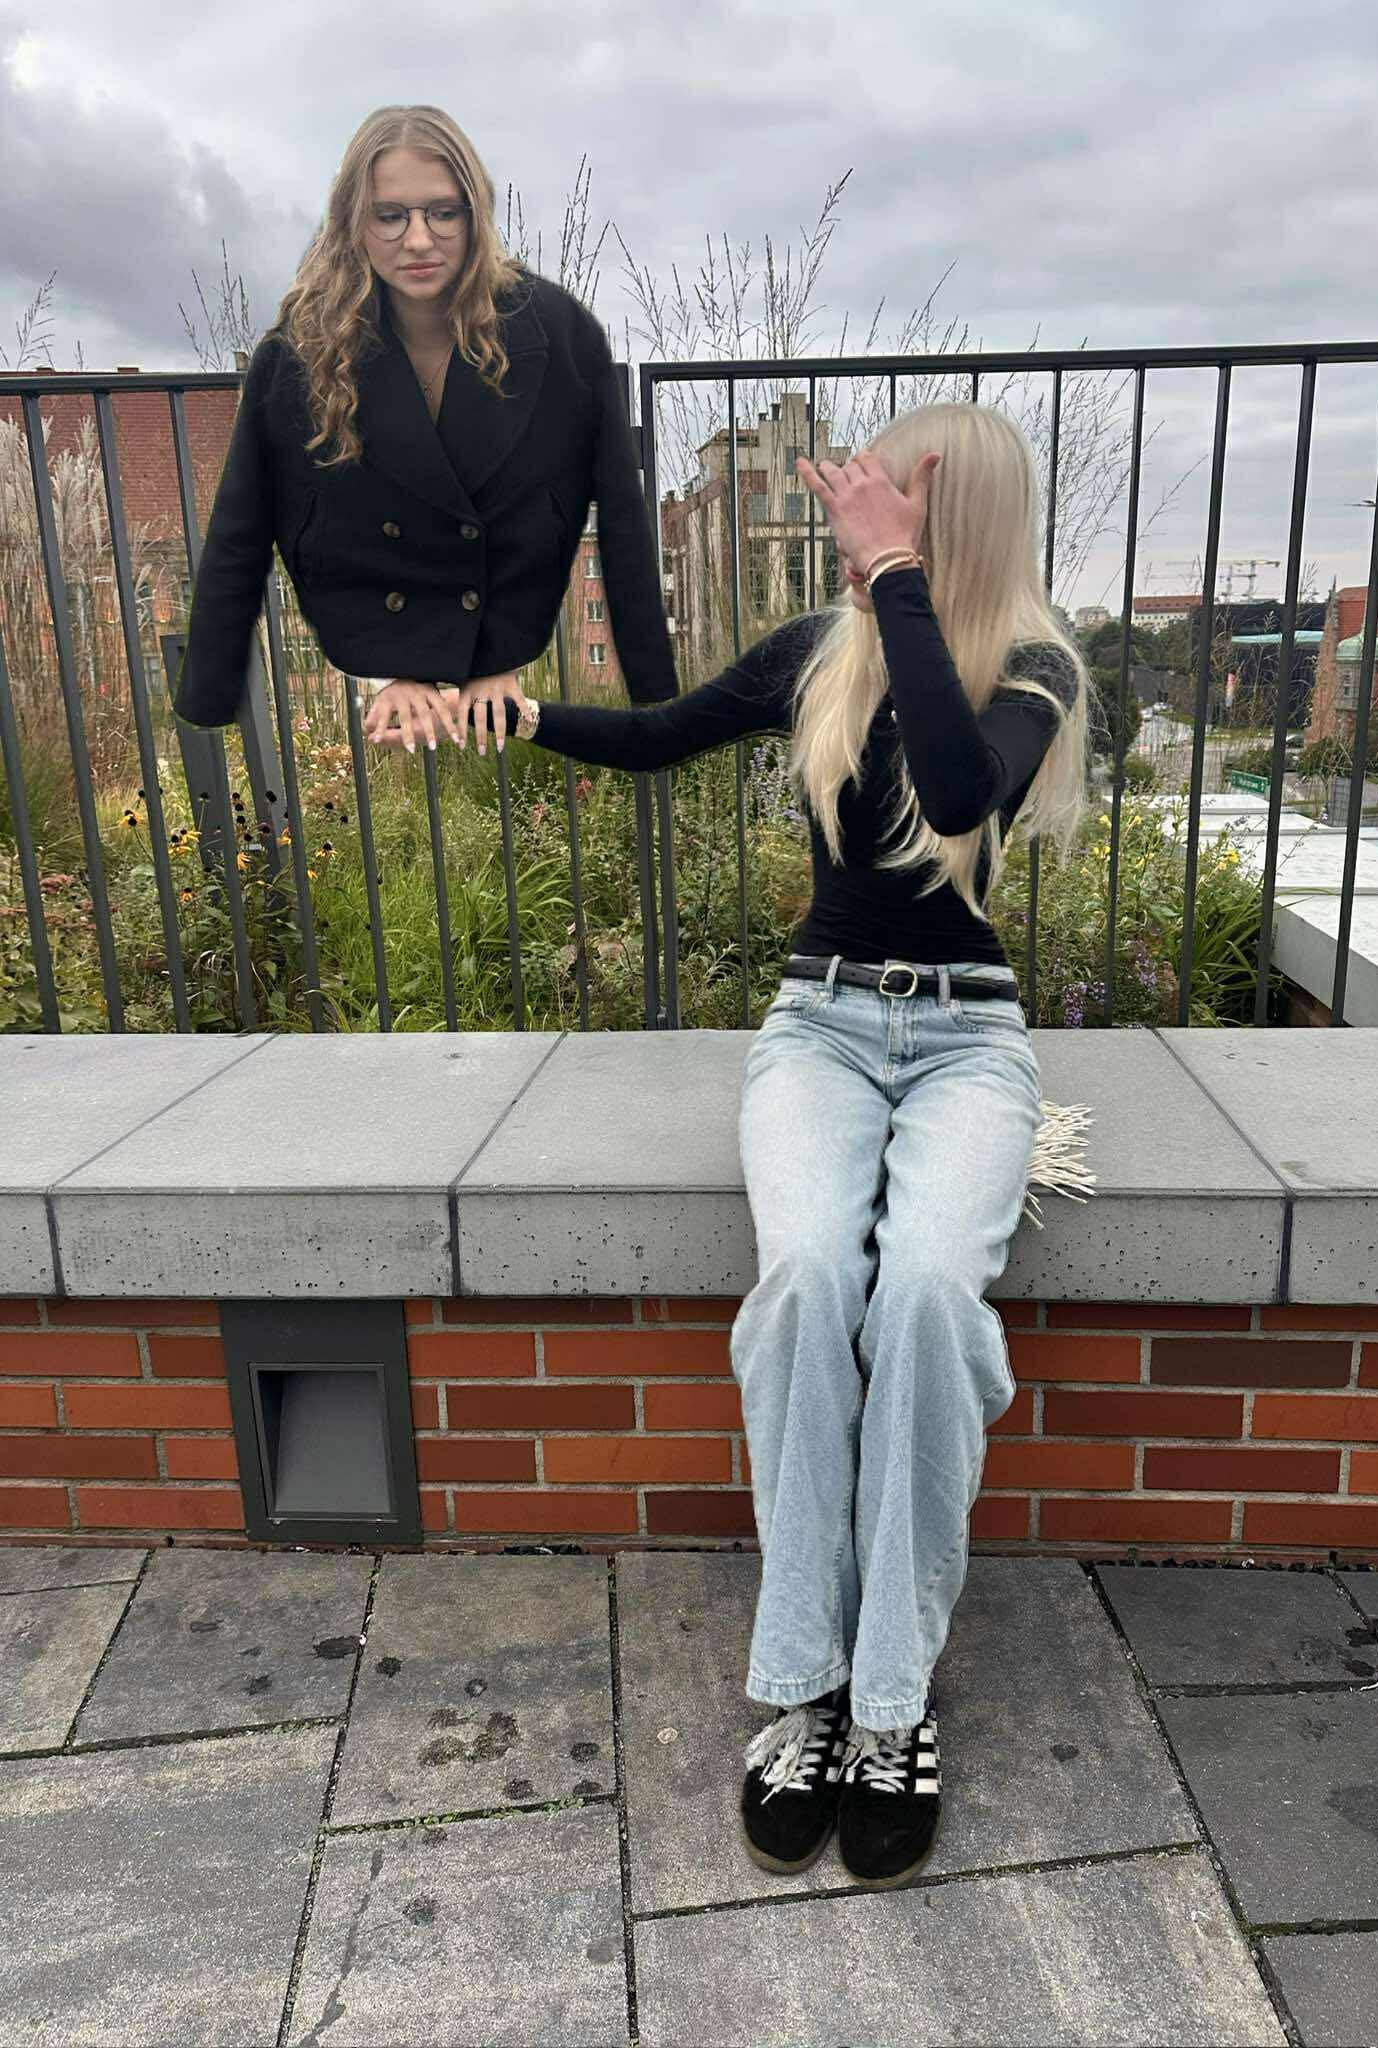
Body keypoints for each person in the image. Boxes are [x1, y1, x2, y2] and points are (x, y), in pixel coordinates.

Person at [371, 399, 1091, 1890]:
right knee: (810, 1282)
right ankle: (808, 1689)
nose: (853, 514)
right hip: (821, 1028)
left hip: (969, 1042)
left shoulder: (1036, 667)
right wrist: (498, 706)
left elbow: (959, 788)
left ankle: (892, 1702)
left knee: (929, 1298)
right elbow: (658, 737)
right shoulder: (824, 654)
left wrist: (898, 579)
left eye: (886, 496)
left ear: (947, 514)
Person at [172, 103, 676, 741]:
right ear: (353, 220)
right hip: (361, 647)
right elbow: (242, 526)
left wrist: (649, 688)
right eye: (390, 215)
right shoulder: (299, 349)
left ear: (474, 214)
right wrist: (211, 694)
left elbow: (621, 512)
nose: (417, 239)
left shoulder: (559, 330)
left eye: (443, 212)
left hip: (515, 645)